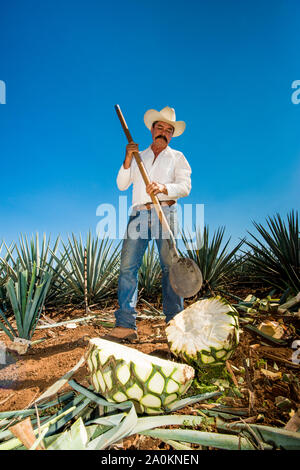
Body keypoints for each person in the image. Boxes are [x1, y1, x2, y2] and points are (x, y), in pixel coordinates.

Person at [104, 106, 192, 343]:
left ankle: (174, 326)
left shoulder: (178, 158)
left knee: (170, 268)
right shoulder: (138, 156)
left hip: (166, 212)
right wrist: (127, 159)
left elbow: (185, 187)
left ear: (172, 134)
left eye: (169, 130)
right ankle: (125, 325)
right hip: (139, 215)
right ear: (152, 130)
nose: (164, 132)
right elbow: (122, 185)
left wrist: (163, 188)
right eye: (160, 127)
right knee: (127, 267)